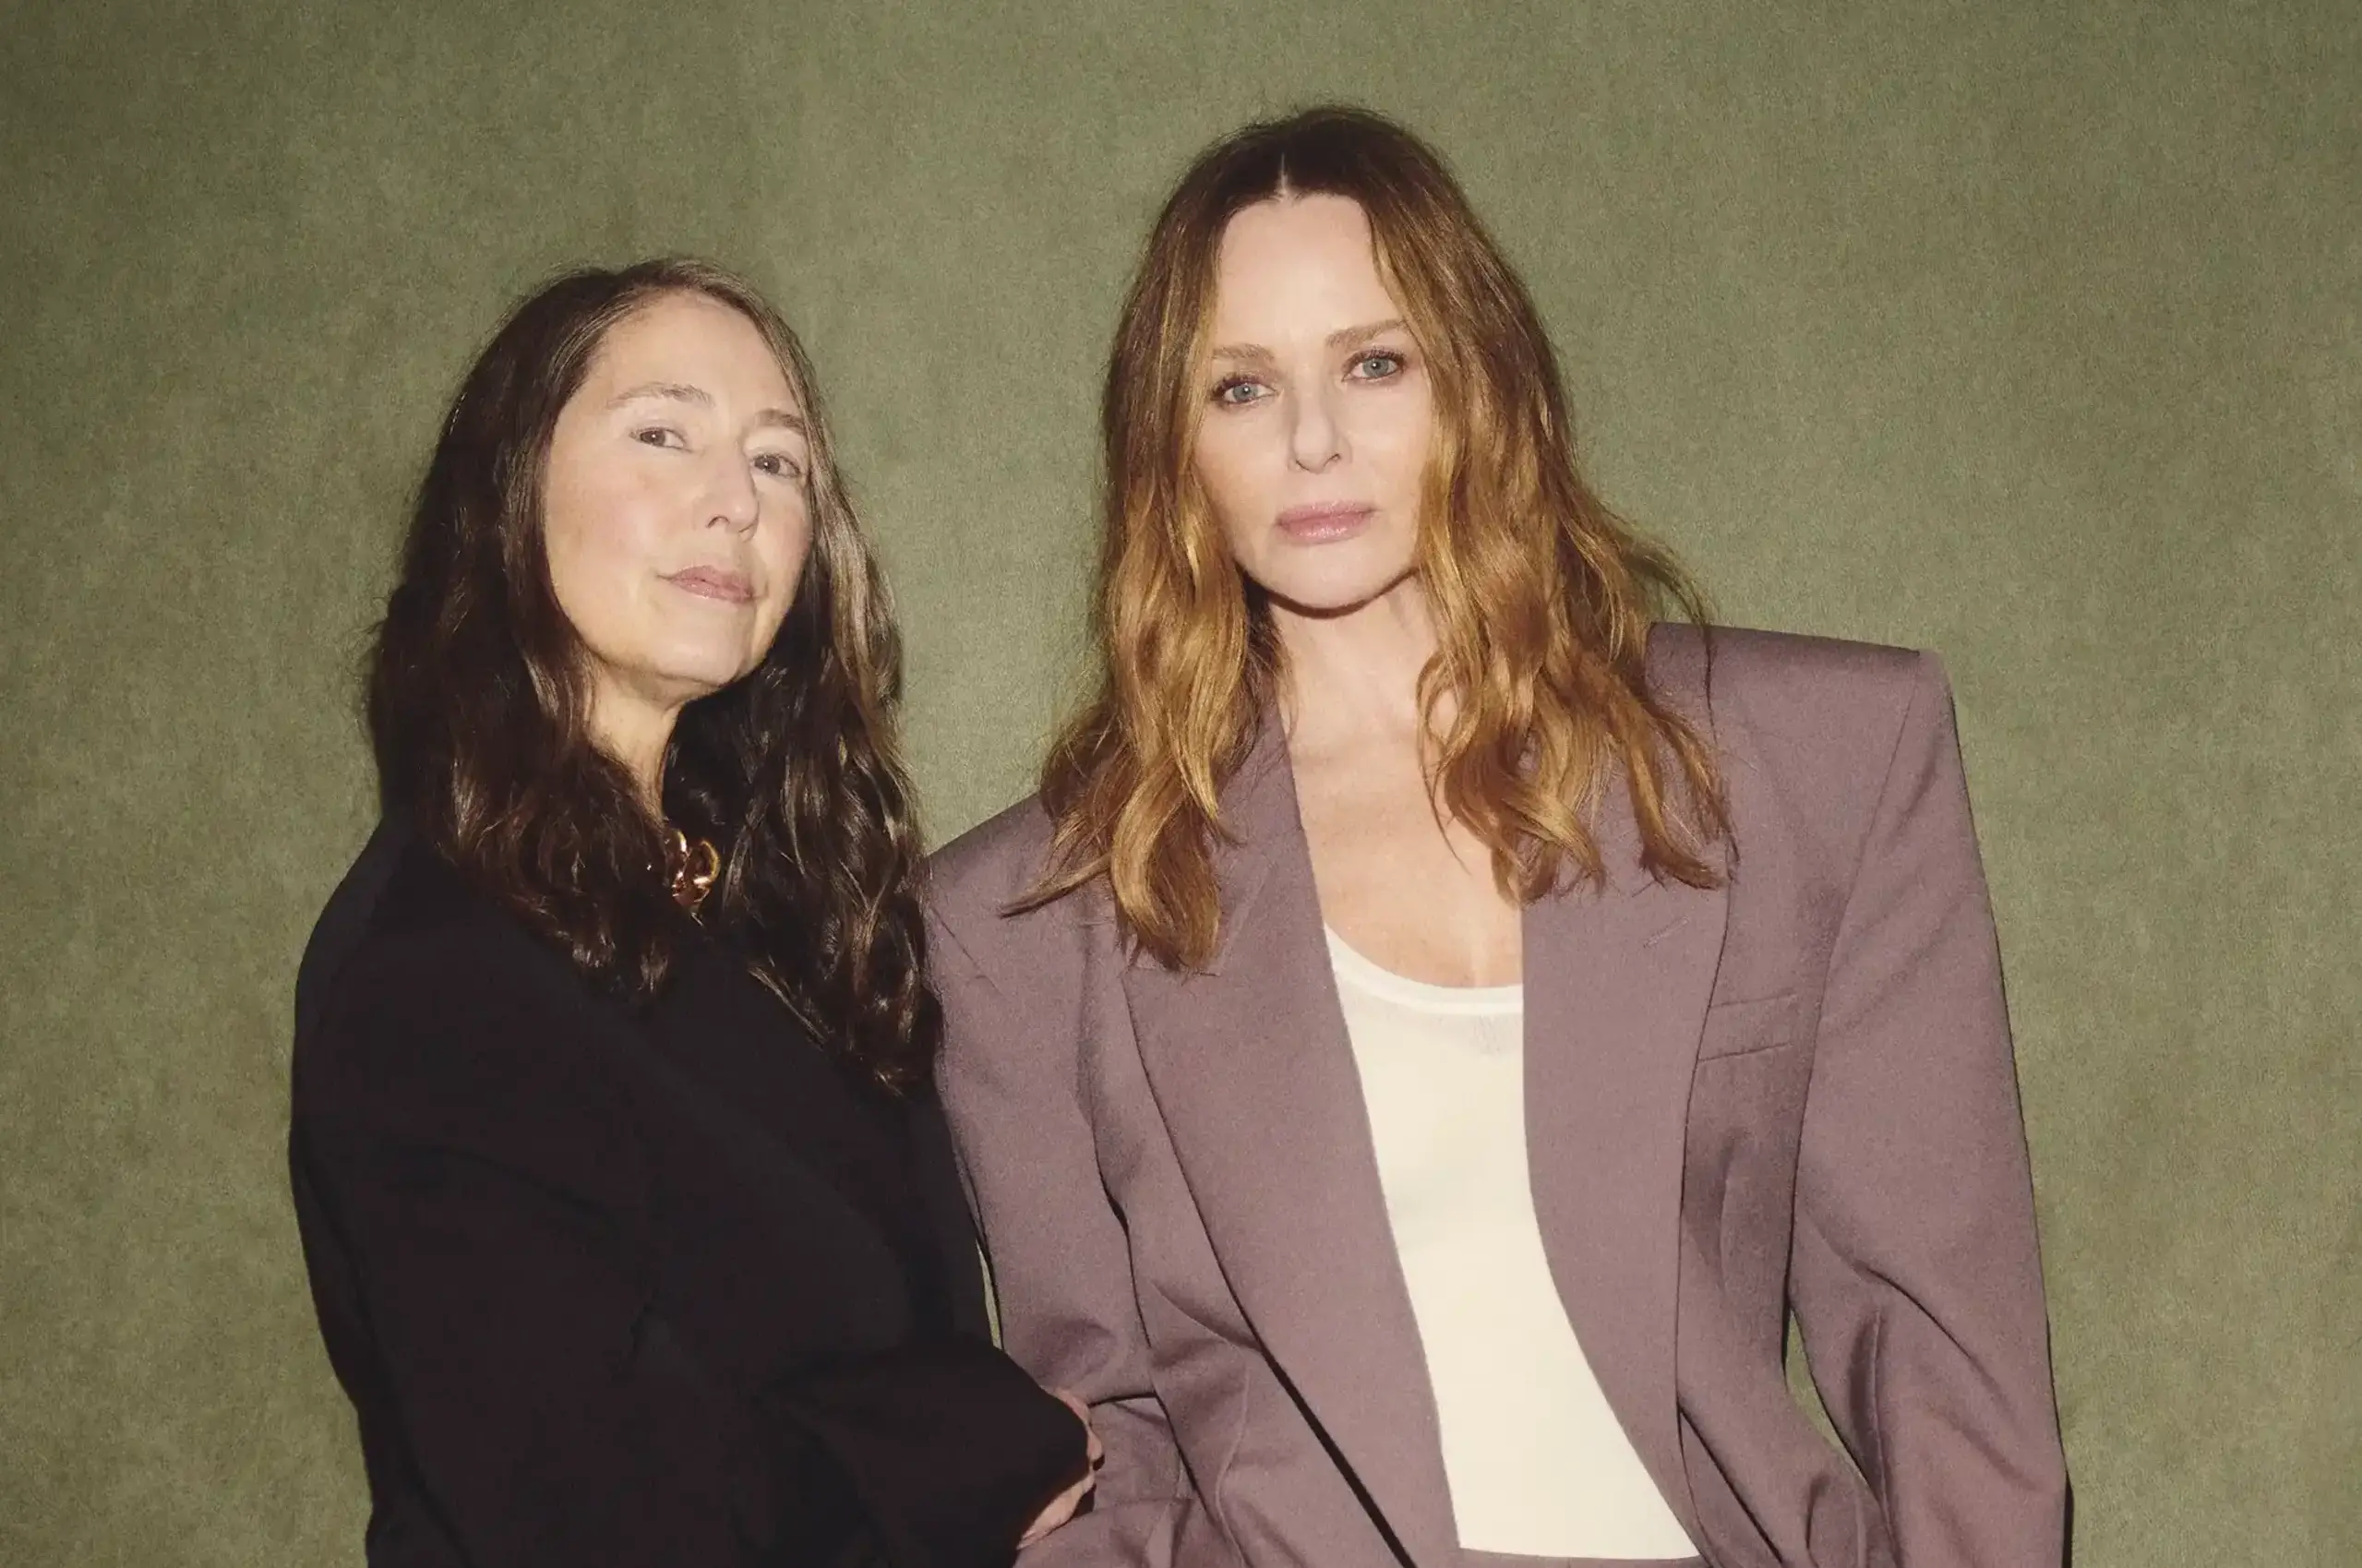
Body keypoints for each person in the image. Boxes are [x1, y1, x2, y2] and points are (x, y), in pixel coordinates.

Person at [929, 108, 2068, 1568]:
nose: (1313, 437)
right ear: (1171, 444)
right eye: (1240, 386)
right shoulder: (1035, 921)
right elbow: (1110, 1450)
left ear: (1478, 380)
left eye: (1373, 363)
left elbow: (1949, 1363)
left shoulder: (1814, 761)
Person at [289, 257, 1097, 1568]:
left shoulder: (775, 913)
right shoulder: (431, 970)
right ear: (509, 491)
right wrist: (980, 1446)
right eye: (663, 434)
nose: (735, 500)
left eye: (778, 463)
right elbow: (597, 1513)